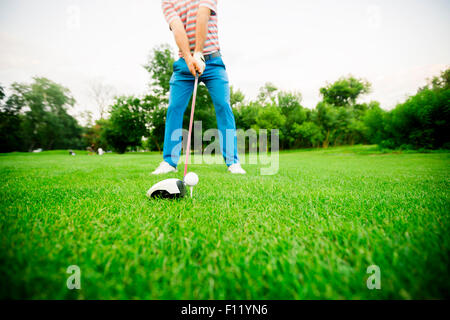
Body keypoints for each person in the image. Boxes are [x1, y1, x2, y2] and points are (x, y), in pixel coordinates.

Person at [152, 0, 246, 175]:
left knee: (223, 106)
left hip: (213, 61)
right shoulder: (167, 2)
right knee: (174, 107)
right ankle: (169, 162)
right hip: (184, 64)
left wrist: (199, 53)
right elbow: (177, 27)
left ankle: (233, 162)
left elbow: (202, 15)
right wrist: (189, 58)